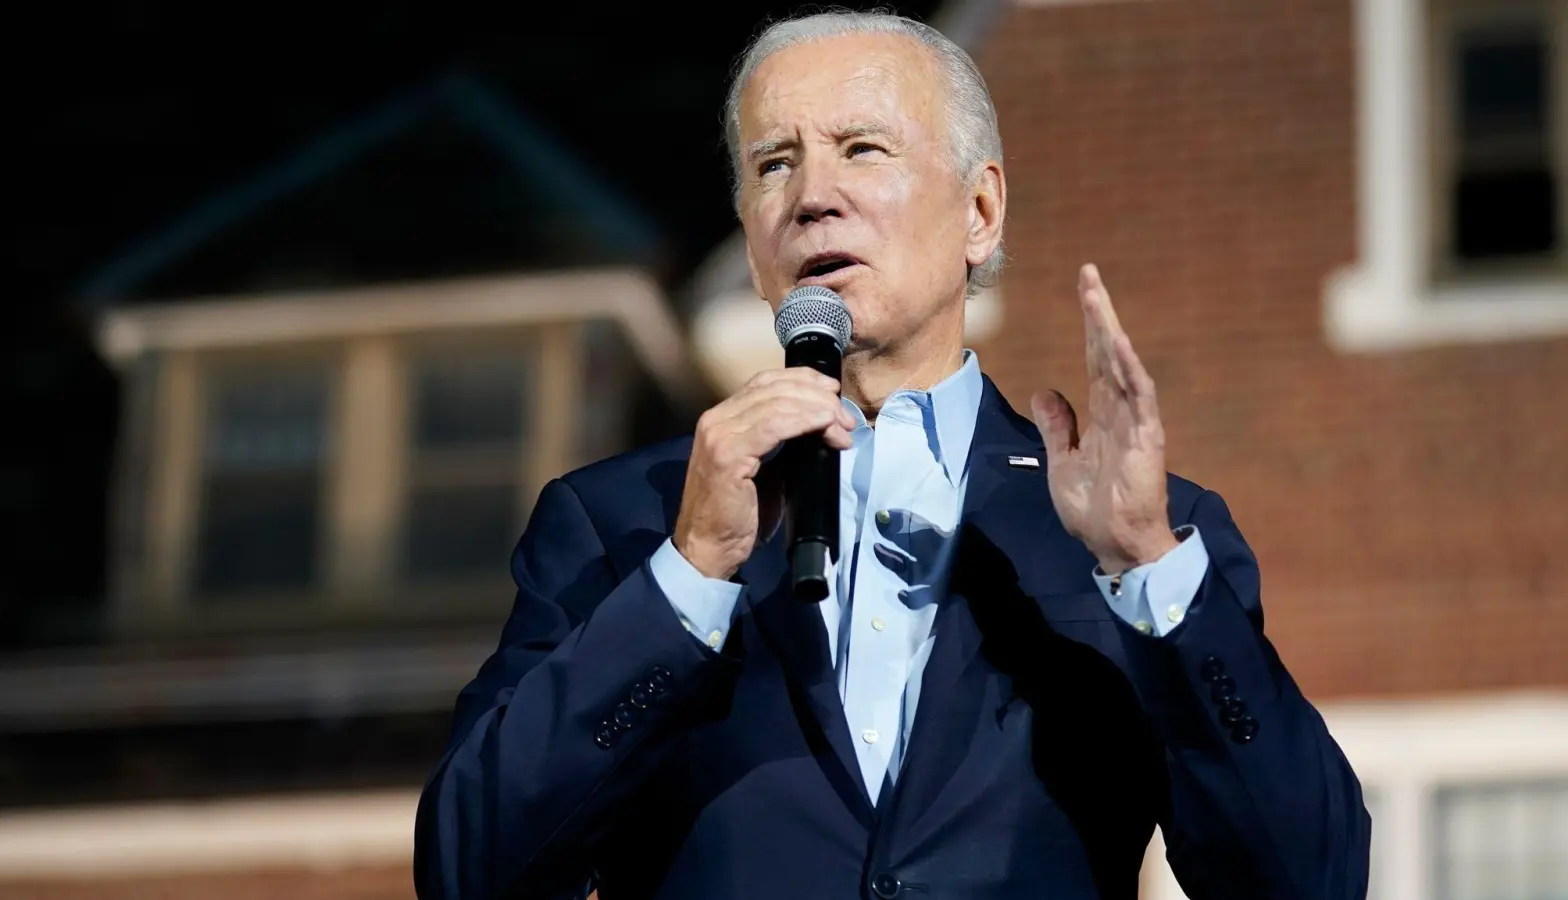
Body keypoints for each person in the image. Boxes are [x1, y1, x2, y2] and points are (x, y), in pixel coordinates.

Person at [413, 10, 1370, 900]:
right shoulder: (621, 523)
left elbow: (1309, 877)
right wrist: (689, 576)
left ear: (979, 212)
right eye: (773, 165)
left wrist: (1146, 568)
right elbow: (470, 870)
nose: (813, 198)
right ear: (750, 244)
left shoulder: (1146, 530)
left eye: (861, 150)